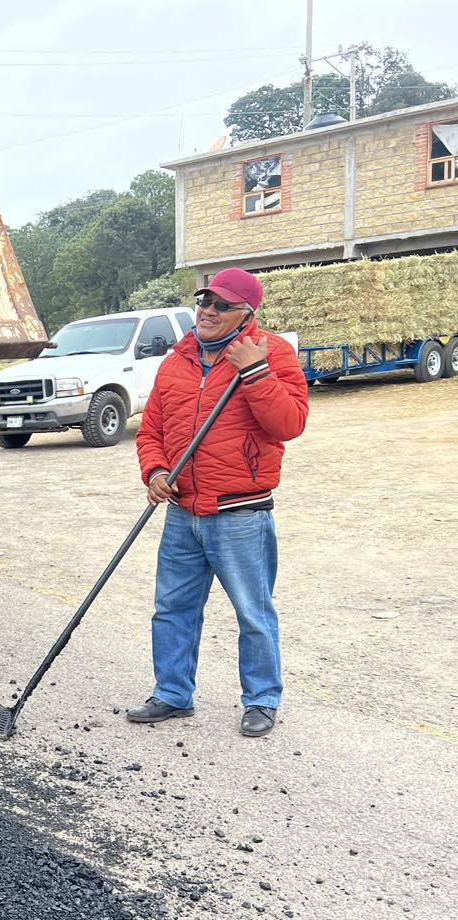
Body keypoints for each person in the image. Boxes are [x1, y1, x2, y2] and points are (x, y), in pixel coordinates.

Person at [127, 267, 308, 738]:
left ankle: (263, 699)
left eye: (221, 305)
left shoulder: (273, 354)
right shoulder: (176, 362)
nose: (207, 311)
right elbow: (151, 432)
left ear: (247, 314)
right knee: (172, 608)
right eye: (204, 300)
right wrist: (157, 472)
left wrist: (255, 371)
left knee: (253, 611)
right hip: (182, 510)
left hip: (240, 513)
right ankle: (172, 693)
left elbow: (288, 424)